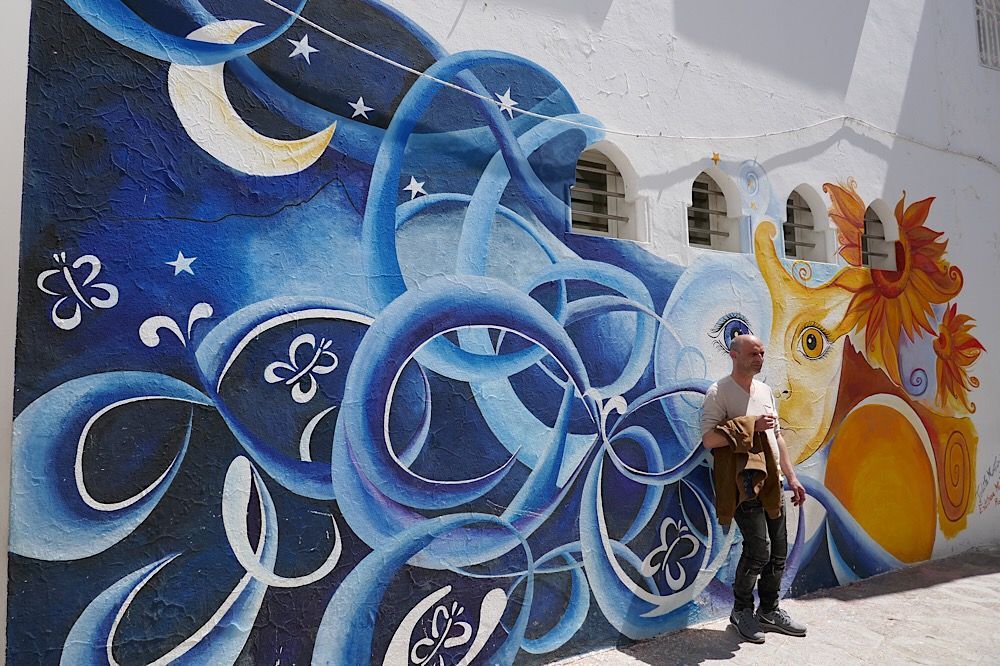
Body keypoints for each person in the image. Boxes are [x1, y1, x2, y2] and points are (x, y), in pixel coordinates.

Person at [700, 333, 808, 643]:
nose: (759, 359)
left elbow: (778, 437)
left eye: (761, 353)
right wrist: (750, 425)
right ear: (734, 355)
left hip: (773, 481)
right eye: (753, 354)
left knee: (779, 552)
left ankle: (770, 610)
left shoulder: (765, 390)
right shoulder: (719, 392)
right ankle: (741, 610)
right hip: (744, 483)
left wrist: (792, 477)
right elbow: (709, 439)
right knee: (759, 551)